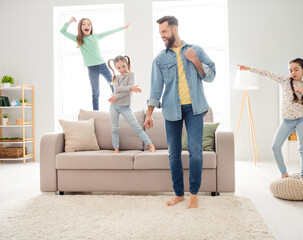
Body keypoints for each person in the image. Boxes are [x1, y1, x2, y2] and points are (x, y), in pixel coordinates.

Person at [144, 16, 216, 208]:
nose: (162, 36)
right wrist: (149, 114)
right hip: (171, 109)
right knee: (173, 153)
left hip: (195, 108)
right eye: (160, 33)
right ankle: (179, 194)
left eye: (164, 32)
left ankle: (193, 194)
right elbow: (155, 88)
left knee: (195, 150)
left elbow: (211, 75)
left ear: (174, 29)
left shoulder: (196, 50)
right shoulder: (160, 59)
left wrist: (196, 62)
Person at [238, 58, 303, 181]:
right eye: (290, 70)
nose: (293, 72)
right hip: (287, 121)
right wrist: (249, 69)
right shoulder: (285, 81)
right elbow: (268, 73)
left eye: (296, 69)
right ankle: (283, 173)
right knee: (275, 147)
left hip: (302, 119)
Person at [60, 16, 131, 110]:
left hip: (103, 65)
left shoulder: (96, 36)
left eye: (88, 24)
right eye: (84, 24)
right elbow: (63, 31)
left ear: (91, 27)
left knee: (114, 86)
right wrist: (70, 21)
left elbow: (110, 31)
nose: (86, 25)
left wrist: (125, 27)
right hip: (92, 68)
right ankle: (96, 112)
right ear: (80, 28)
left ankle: (120, 107)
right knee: (95, 92)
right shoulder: (79, 39)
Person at [107, 55, 156, 153]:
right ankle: (116, 149)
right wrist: (130, 87)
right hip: (114, 106)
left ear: (127, 65)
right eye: (119, 67)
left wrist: (117, 96)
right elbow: (117, 89)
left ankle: (150, 144)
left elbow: (126, 92)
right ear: (116, 68)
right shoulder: (116, 77)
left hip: (125, 107)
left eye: (123, 66)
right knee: (114, 129)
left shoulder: (130, 75)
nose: (122, 69)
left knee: (136, 127)